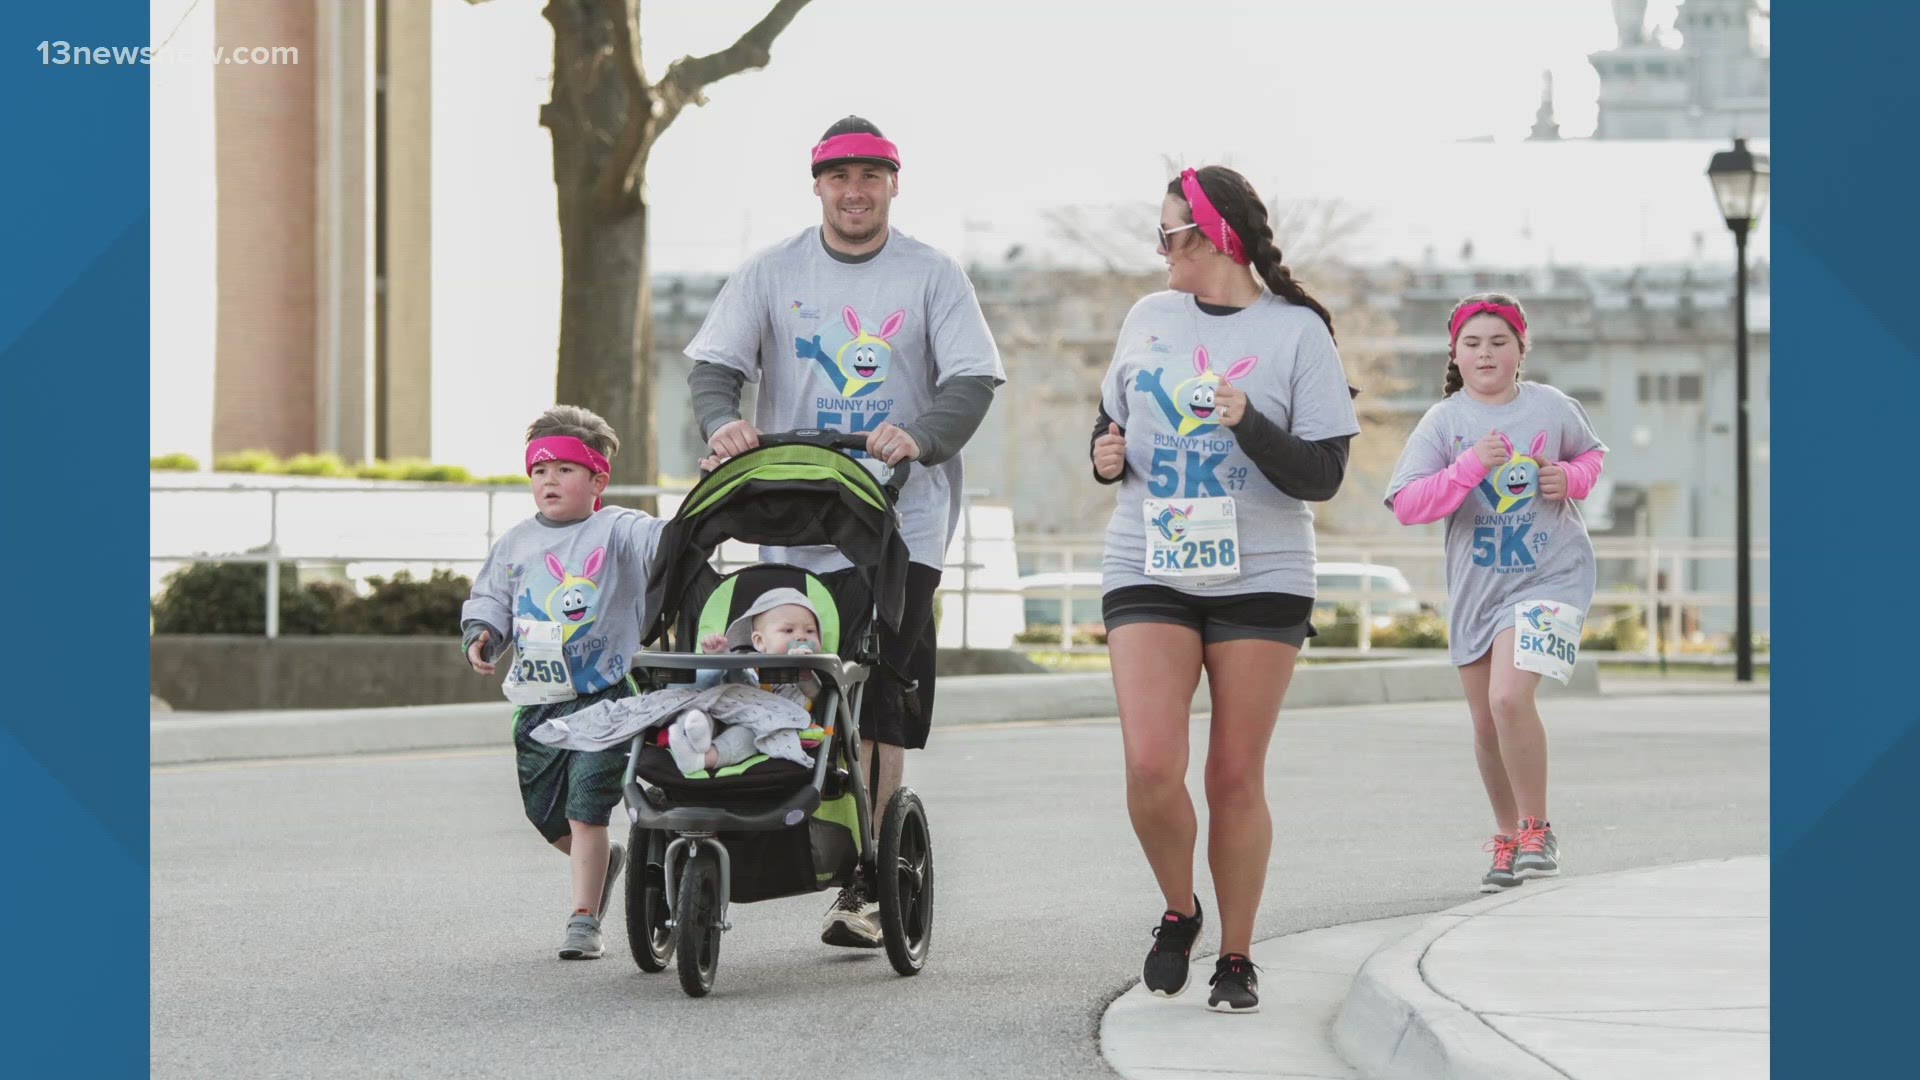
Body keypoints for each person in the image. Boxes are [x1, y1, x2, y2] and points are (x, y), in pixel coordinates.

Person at [683, 115, 1004, 948]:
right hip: (793, 517)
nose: (854, 191)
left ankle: (864, 877)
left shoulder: (932, 275)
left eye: (871, 176)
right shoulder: (772, 270)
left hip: (904, 519)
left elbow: (971, 382)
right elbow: (716, 366)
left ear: (894, 183)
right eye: (839, 177)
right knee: (788, 677)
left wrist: (921, 436)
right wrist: (723, 423)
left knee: (879, 696)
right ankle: (769, 825)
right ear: (818, 185)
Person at [1092, 166, 1360, 1013]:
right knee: (1149, 763)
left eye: (1168, 234)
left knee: (1234, 777)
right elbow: (1112, 420)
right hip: (1149, 560)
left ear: (1214, 239)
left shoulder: (1297, 334)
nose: (1159, 249)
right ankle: (1180, 908)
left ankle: (1236, 956)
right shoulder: (1148, 317)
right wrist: (1102, 450)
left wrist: (1247, 419)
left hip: (1262, 574)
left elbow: (1322, 475)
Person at [1383, 293, 1607, 893]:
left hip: (1551, 575)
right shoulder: (1445, 422)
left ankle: (1538, 828)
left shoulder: (1552, 408)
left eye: (1499, 341)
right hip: (1480, 586)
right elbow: (1407, 504)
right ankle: (1508, 838)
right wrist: (1467, 469)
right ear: (1455, 353)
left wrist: (1571, 478)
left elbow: (1591, 456)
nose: (1486, 353)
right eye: (1473, 343)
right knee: (1486, 724)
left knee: (1510, 699)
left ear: (1520, 349)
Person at [460, 405, 667, 961]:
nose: (549, 481)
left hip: (604, 698)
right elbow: (492, 598)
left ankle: (583, 919)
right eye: (539, 472)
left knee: (586, 810)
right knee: (546, 814)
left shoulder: (619, 529)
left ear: (598, 478)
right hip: (538, 700)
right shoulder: (517, 543)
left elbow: (669, 540)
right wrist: (483, 632)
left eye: (565, 470)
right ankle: (600, 863)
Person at [667, 591, 825, 775]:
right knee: (706, 704)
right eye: (788, 630)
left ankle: (701, 759)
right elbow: (734, 684)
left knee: (746, 736)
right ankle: (694, 728)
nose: (801, 637)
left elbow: (817, 694)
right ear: (760, 642)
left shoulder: (813, 670)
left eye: (810, 631)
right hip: (728, 716)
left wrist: (803, 673)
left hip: (766, 729)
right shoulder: (750, 664)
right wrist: (722, 657)